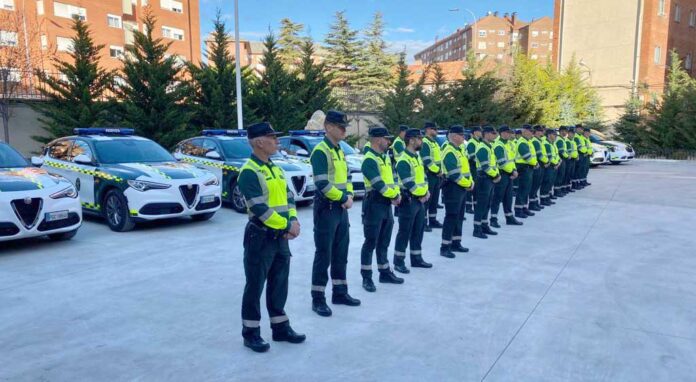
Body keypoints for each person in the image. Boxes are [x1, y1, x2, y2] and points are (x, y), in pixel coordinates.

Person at [238, 122, 306, 353]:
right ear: (258, 142)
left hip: (281, 236)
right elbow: (261, 210)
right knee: (255, 285)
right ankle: (251, 333)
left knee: (279, 283)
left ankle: (280, 328)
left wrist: (293, 220)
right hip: (261, 236)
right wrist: (287, 225)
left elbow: (289, 198)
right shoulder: (249, 171)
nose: (277, 141)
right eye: (272, 137)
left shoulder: (275, 168)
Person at [310, 110, 360, 318]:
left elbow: (346, 177)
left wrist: (348, 195)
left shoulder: (339, 150)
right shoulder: (321, 151)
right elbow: (322, 183)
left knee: (341, 253)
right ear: (328, 127)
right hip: (327, 209)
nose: (344, 130)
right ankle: (318, 299)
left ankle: (340, 292)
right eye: (341, 127)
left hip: (340, 209)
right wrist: (343, 198)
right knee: (324, 254)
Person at [360, 127, 404, 292]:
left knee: (384, 240)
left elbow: (392, 180)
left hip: (386, 204)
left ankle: (384, 272)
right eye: (386, 139)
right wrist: (394, 196)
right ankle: (366, 277)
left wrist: (396, 194)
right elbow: (378, 184)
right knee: (370, 241)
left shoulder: (384, 158)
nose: (389, 142)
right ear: (378, 140)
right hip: (374, 204)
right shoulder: (369, 159)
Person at [393, 128, 433, 274]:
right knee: (404, 232)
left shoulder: (416, 157)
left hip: (420, 200)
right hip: (409, 201)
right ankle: (399, 262)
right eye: (419, 138)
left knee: (418, 230)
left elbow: (423, 177)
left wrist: (426, 192)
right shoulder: (404, 160)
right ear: (411, 140)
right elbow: (409, 183)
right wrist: (422, 194)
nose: (421, 141)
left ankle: (416, 258)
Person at [440, 125, 474, 258]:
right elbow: (454, 174)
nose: (464, 137)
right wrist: (468, 184)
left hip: (462, 187)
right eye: (461, 135)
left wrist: (470, 182)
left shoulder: (459, 149)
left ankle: (456, 243)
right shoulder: (449, 151)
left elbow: (466, 170)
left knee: (459, 216)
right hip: (453, 187)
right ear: (454, 136)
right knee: (451, 216)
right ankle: (445, 246)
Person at [490, 125, 522, 228]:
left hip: (509, 174)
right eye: (508, 133)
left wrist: (514, 170)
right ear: (502, 133)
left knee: (508, 198)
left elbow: (511, 160)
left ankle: (509, 217)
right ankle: (493, 219)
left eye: (510, 133)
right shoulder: (498, 145)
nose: (510, 134)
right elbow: (502, 163)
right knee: (497, 197)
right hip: (502, 174)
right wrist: (512, 172)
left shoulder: (508, 144)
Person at [473, 126, 501, 239]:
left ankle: (485, 226)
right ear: (487, 134)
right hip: (484, 179)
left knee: (487, 203)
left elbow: (494, 164)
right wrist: (495, 175)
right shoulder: (482, 148)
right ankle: (477, 229)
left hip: (490, 179)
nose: (495, 135)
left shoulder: (489, 147)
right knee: (481, 204)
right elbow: (485, 166)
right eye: (493, 133)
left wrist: (496, 175)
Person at [420, 122, 443, 232]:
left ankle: (433, 220)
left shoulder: (434, 143)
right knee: (427, 200)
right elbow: (427, 161)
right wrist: (438, 170)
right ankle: (423, 222)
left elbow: (439, 159)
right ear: (428, 129)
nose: (436, 131)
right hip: (429, 174)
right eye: (434, 129)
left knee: (434, 200)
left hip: (437, 175)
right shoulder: (425, 142)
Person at [514, 124, 538, 218]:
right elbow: (527, 157)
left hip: (528, 168)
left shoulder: (528, 141)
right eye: (529, 131)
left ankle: (524, 207)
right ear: (524, 131)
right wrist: (535, 163)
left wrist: (534, 163)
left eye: (531, 131)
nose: (531, 132)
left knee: (526, 189)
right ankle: (518, 210)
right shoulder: (522, 142)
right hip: (524, 168)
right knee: (523, 189)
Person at [528, 125, 546, 211]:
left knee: (537, 185)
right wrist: (546, 162)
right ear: (536, 132)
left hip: (540, 165)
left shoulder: (540, 141)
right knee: (534, 186)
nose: (542, 132)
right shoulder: (535, 141)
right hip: (537, 166)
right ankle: (532, 204)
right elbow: (539, 155)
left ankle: (535, 202)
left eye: (542, 131)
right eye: (540, 131)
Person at [465, 126, 482, 214]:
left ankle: (475, 205)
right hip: (472, 167)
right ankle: (468, 207)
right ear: (475, 132)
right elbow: (472, 156)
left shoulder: (478, 142)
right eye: (479, 131)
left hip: (476, 168)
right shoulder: (472, 142)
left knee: (476, 188)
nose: (481, 132)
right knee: (471, 187)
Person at [540, 129, 559, 206]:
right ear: (549, 135)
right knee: (546, 182)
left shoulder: (552, 143)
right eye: (554, 135)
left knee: (550, 182)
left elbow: (556, 154)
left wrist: (557, 162)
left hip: (554, 165)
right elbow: (549, 157)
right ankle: (543, 199)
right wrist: (556, 163)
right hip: (550, 166)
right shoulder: (546, 144)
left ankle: (547, 197)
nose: (555, 136)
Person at [554, 126, 569, 197]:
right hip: (561, 159)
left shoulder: (562, 139)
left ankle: (559, 190)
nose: (564, 132)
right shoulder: (559, 139)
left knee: (561, 175)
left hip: (562, 159)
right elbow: (561, 151)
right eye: (563, 131)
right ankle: (557, 191)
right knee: (560, 175)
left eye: (565, 131)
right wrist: (567, 156)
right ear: (559, 131)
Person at [572, 126, 587, 190]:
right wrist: (584, 152)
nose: (581, 130)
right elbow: (579, 147)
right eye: (579, 129)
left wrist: (586, 152)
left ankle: (578, 183)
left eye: (581, 129)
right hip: (579, 154)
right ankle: (574, 184)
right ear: (576, 129)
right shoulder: (576, 136)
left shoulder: (581, 136)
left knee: (579, 170)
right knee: (576, 170)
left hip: (582, 154)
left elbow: (585, 146)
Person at [565, 126, 579, 192]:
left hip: (573, 159)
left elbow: (575, 150)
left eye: (573, 133)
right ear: (568, 133)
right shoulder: (567, 141)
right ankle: (566, 188)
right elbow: (569, 152)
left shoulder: (573, 141)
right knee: (567, 174)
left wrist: (577, 156)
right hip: (569, 160)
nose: (572, 135)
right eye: (571, 133)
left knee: (571, 174)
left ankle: (568, 187)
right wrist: (574, 156)